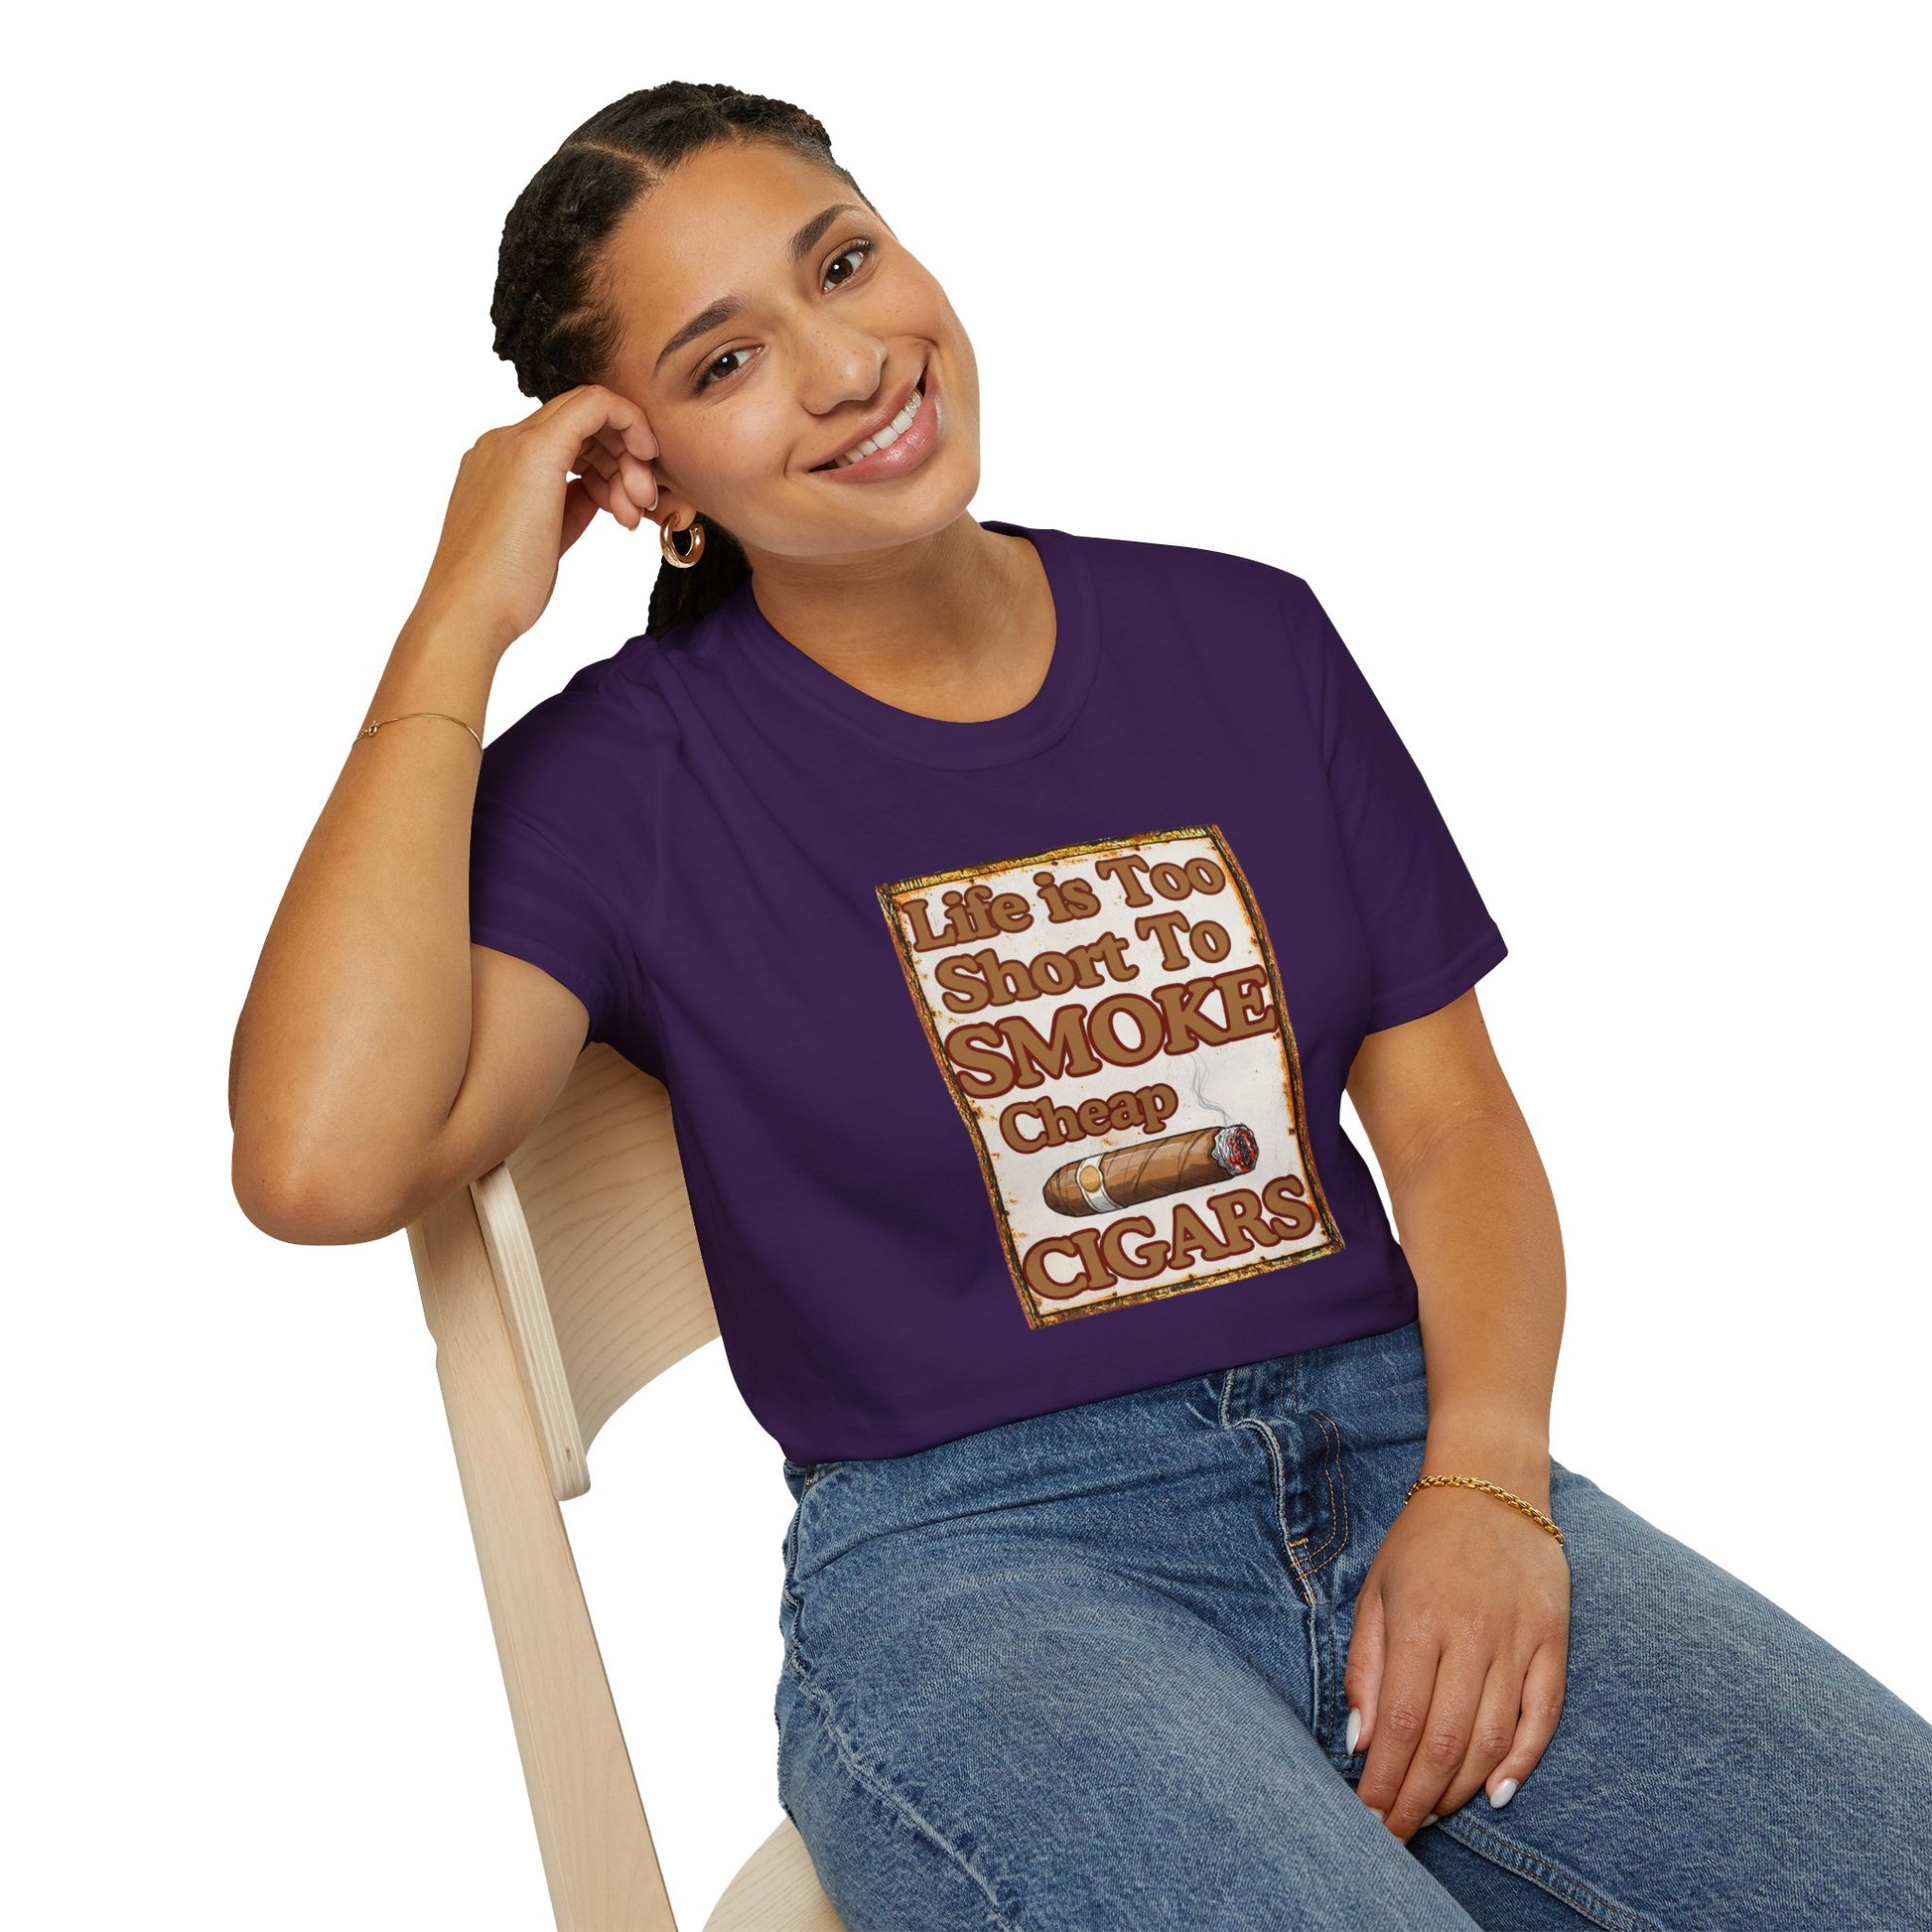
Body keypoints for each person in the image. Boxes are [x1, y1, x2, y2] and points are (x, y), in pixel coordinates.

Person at [228, 80, 1932, 1931]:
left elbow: (1451, 1130)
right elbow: (320, 1161)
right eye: (725, 361)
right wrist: (458, 619)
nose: (846, 365)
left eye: (843, 264)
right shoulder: (630, 777)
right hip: (984, 1565)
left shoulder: (1245, 639)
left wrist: (1488, 1483)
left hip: (1403, 1447)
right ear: (651, 482)